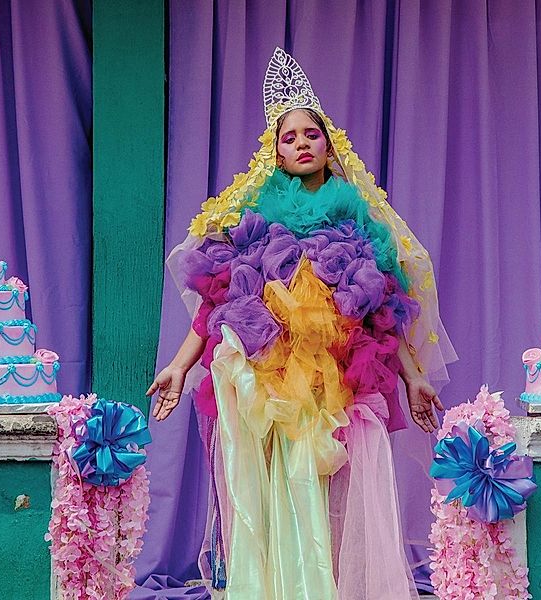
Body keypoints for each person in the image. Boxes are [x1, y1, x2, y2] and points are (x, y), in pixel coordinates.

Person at [147, 47, 455, 600]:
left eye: (310, 134)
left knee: (339, 483)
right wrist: (177, 367)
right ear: (276, 152)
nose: (302, 143)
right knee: (281, 486)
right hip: (274, 377)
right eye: (289, 138)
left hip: (340, 374)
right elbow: (221, 305)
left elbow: (385, 311)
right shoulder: (256, 217)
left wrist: (413, 377)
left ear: (328, 143)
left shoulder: (355, 213)